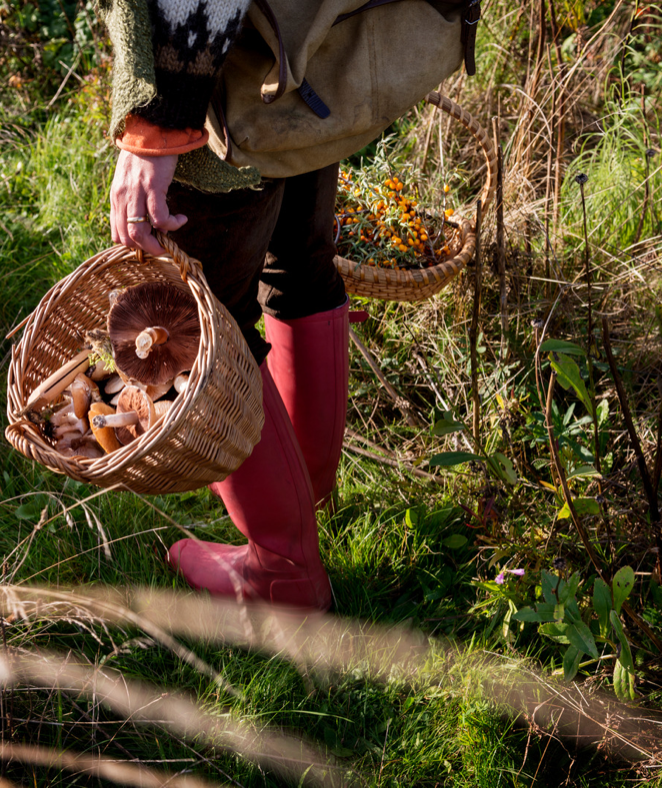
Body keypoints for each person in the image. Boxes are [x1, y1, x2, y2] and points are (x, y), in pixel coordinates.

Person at [99, 0, 470, 611]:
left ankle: (283, 569)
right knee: (298, 266)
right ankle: (305, 492)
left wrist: (156, 125)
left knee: (191, 327)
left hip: (214, 86)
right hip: (298, 62)